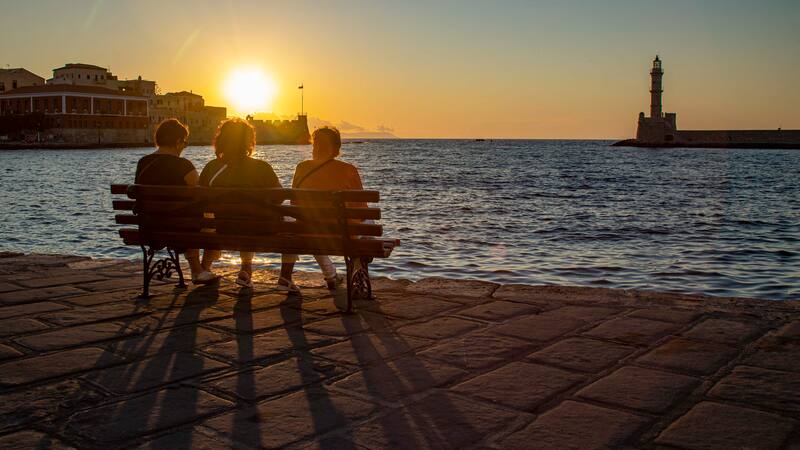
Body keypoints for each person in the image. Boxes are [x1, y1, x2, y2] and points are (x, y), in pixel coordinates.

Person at [278, 126, 366, 293]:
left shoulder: (301, 168)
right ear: (336, 148)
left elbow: (294, 203)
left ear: (314, 146)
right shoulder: (349, 170)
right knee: (367, 224)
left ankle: (329, 274)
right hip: (343, 235)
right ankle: (357, 272)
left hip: (308, 231)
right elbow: (360, 209)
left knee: (310, 225)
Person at [199, 118, 282, 288]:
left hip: (223, 228)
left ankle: (205, 267)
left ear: (221, 140)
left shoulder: (211, 167)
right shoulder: (261, 167)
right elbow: (279, 197)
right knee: (255, 219)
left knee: (230, 218)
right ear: (249, 141)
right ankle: (246, 268)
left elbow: (199, 199)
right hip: (259, 229)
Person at [135, 118, 218, 284]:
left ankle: (200, 270)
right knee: (212, 220)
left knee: (189, 217)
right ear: (178, 142)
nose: (184, 146)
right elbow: (202, 195)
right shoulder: (184, 166)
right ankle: (200, 269)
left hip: (149, 227)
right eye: (185, 142)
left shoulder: (143, 163)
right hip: (181, 227)